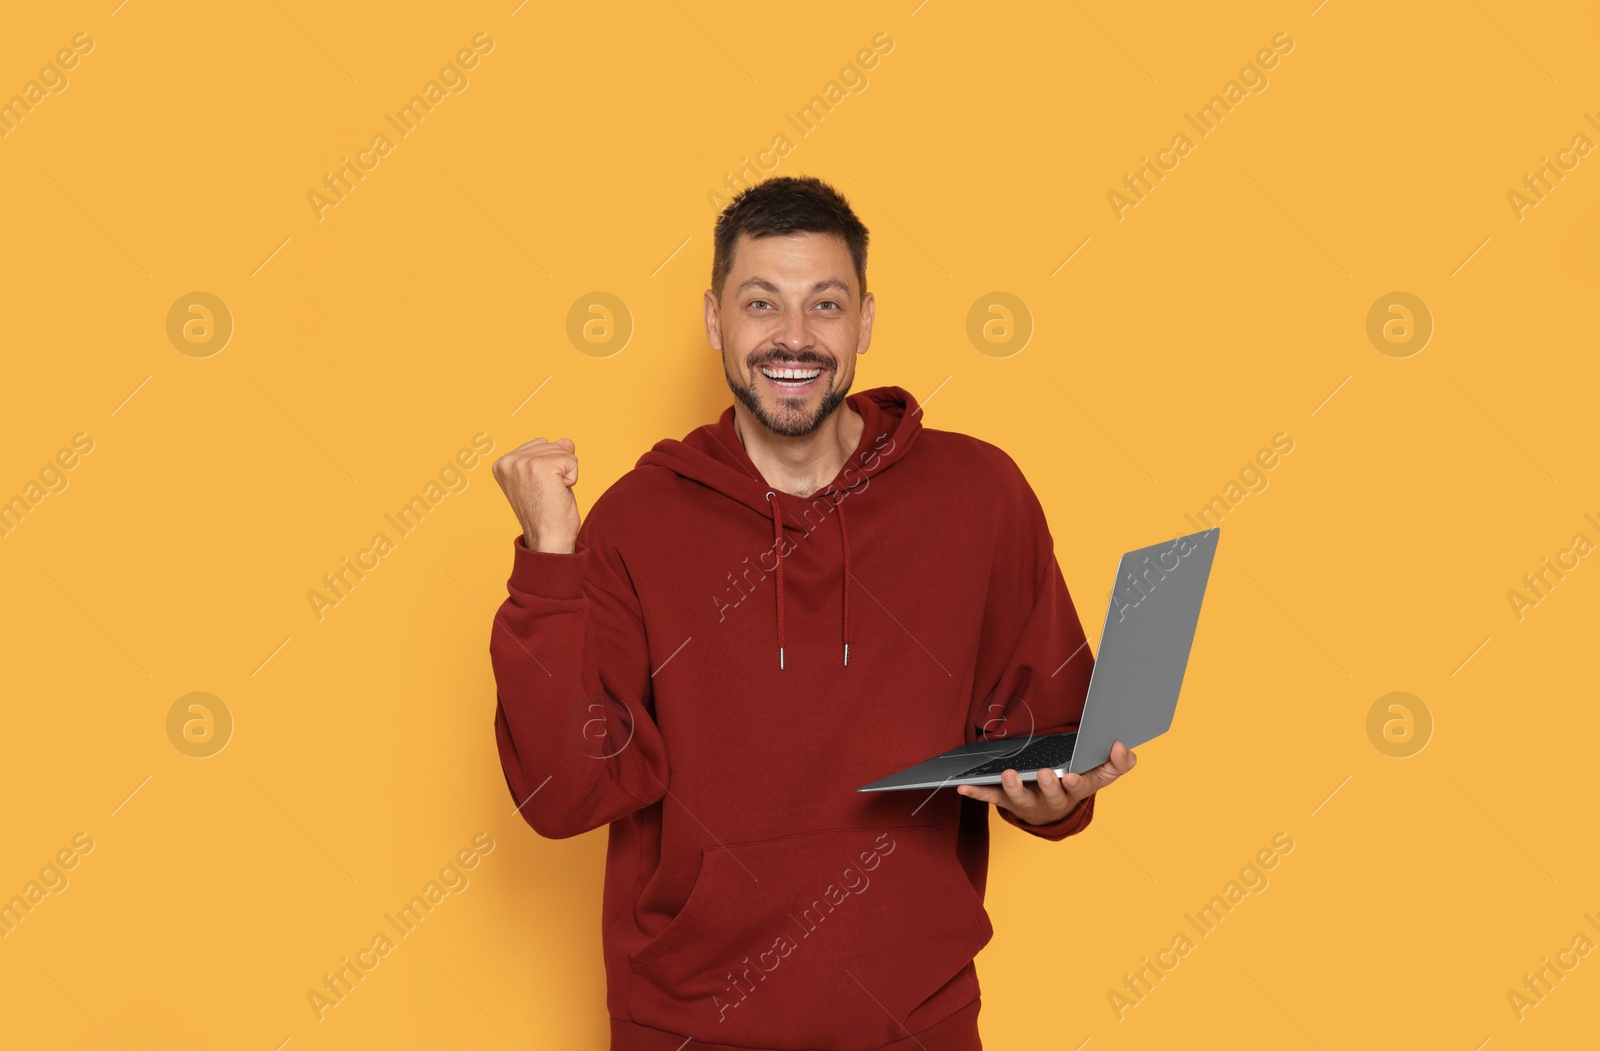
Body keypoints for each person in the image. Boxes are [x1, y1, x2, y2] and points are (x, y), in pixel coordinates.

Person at [489, 175, 1137, 1051]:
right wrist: (550, 563)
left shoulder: (979, 495)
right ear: (715, 319)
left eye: (824, 305)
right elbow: (563, 794)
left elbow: (1046, 729)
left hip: (918, 1024)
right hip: (687, 1029)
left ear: (864, 321)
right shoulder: (639, 520)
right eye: (762, 303)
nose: (793, 338)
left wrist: (1054, 800)